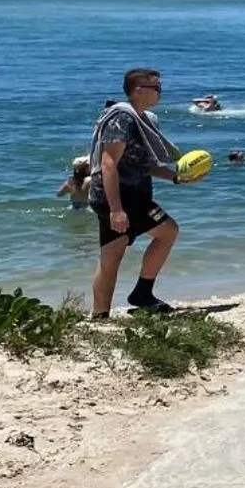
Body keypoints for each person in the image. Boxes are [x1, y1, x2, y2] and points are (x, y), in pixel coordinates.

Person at [87, 68, 189, 318]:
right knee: (167, 231)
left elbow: (147, 165)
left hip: (132, 193)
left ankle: (102, 314)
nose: (160, 91)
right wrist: (116, 209)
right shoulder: (122, 118)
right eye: (156, 87)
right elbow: (108, 163)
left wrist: (175, 176)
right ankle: (140, 295)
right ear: (139, 90)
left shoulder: (146, 120)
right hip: (120, 195)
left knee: (113, 253)